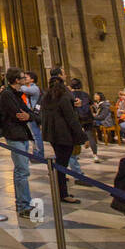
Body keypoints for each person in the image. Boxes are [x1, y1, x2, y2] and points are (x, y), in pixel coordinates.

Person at [40, 65, 85, 204]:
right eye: (64, 74)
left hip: (52, 134)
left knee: (60, 163)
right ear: (60, 78)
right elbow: (70, 117)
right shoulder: (64, 95)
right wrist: (82, 136)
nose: (65, 76)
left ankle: (61, 191)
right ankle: (63, 194)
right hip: (63, 134)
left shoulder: (47, 95)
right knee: (62, 164)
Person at [0, 66, 35, 217]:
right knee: (22, 171)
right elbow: (17, 114)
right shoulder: (7, 95)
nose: (26, 79)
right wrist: (27, 116)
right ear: (16, 80)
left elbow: (29, 114)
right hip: (14, 135)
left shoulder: (17, 94)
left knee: (22, 170)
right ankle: (22, 206)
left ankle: (24, 202)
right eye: (23, 77)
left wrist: (29, 116)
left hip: (22, 135)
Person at [71, 77, 100, 163]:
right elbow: (91, 106)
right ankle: (95, 155)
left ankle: (75, 155)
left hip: (76, 117)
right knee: (90, 135)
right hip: (87, 117)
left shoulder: (70, 94)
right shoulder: (85, 94)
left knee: (74, 135)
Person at [20, 71, 44, 160]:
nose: (24, 79)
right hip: (31, 113)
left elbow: (24, 90)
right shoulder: (29, 87)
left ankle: (39, 155)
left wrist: (19, 83)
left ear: (32, 79)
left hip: (34, 114)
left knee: (36, 135)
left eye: (26, 78)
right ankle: (36, 153)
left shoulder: (34, 88)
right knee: (34, 135)